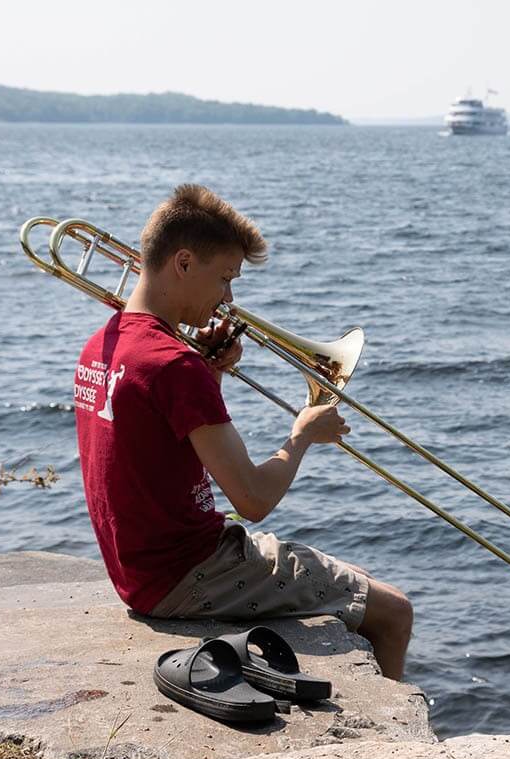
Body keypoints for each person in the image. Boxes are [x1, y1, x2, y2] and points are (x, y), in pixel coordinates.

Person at [73, 184, 413, 679]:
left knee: (357, 582)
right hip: (189, 574)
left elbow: (157, 445)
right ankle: (393, 746)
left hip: (141, 572)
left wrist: (211, 376)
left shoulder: (100, 345)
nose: (229, 298)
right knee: (395, 610)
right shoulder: (173, 365)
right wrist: (301, 435)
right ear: (184, 263)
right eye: (226, 278)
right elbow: (253, 499)